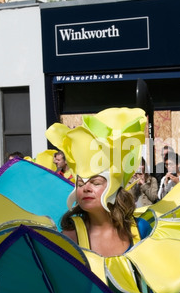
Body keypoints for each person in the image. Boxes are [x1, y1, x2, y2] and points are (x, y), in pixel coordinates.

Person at [45, 107, 152, 257]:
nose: (86, 188)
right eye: (81, 184)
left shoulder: (140, 229)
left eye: (95, 183)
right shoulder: (69, 238)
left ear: (115, 188)